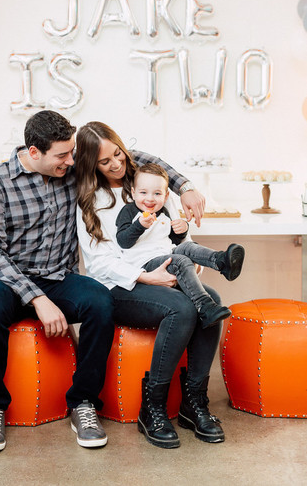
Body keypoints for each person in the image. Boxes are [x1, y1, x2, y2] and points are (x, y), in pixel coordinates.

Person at [75, 121, 227, 449]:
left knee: (211, 299)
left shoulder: (148, 185)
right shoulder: (90, 201)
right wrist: (147, 277)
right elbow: (99, 263)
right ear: (91, 164)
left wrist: (190, 263)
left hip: (162, 272)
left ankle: (193, 403)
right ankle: (153, 407)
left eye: (118, 154)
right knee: (181, 308)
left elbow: (177, 237)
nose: (116, 164)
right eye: (105, 161)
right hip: (118, 287)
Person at [0, 110, 116, 452]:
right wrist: (38, 299)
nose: (71, 161)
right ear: (34, 152)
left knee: (101, 303)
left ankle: (83, 402)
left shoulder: (70, 169)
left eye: (72, 152)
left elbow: (126, 156)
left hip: (58, 277)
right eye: (62, 155)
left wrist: (184, 186)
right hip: (7, 279)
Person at [115, 163, 245, 329]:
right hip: (145, 263)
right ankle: (204, 306)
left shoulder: (163, 213)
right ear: (133, 193)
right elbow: (123, 241)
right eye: (143, 192)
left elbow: (174, 240)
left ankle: (221, 261)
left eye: (157, 193)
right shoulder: (129, 211)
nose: (150, 198)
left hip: (166, 253)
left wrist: (182, 231)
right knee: (181, 261)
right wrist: (139, 225)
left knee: (188, 247)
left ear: (166, 196)